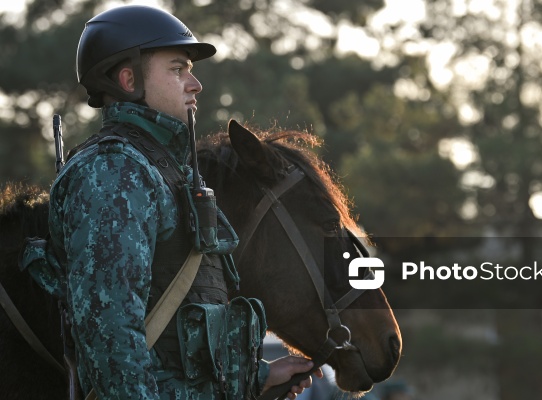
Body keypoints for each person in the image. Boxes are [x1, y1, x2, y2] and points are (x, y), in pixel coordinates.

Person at [20, 5, 321, 399]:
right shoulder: (116, 172)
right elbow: (111, 341)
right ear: (128, 79)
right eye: (178, 69)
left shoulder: (164, 171)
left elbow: (179, 344)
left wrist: (256, 377)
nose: (195, 84)